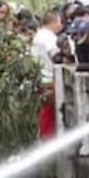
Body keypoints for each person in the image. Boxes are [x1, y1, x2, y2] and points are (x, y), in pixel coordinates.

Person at [31, 9, 63, 140]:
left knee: (44, 112)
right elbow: (54, 55)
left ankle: (44, 139)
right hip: (48, 79)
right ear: (54, 22)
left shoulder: (38, 35)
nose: (61, 26)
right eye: (60, 22)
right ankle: (48, 142)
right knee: (48, 113)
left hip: (39, 77)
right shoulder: (49, 37)